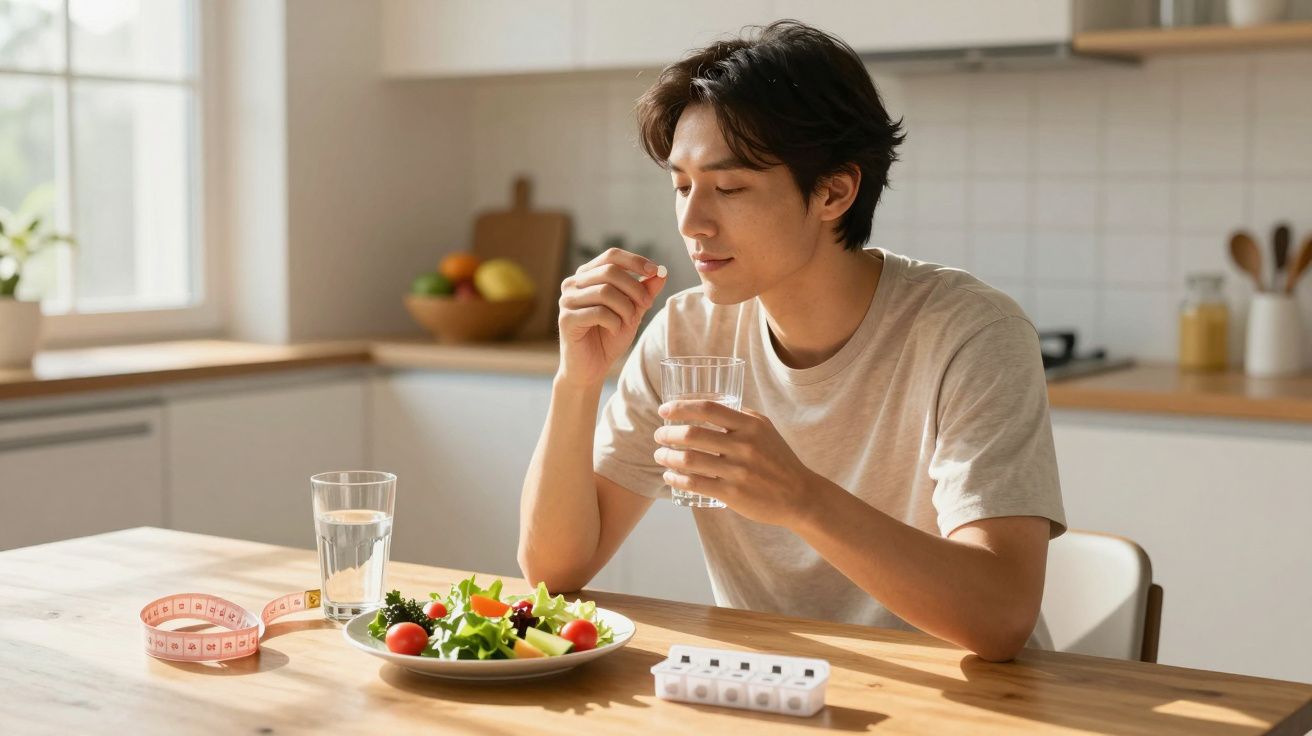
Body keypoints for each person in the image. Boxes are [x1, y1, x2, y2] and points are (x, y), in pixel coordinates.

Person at [517, 20, 1066, 662]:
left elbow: (1000, 618)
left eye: (729, 188)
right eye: (682, 186)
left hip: (964, 700)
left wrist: (802, 499)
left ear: (834, 191)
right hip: (766, 688)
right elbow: (554, 574)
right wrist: (577, 380)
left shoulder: (971, 334)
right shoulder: (686, 332)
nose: (692, 222)